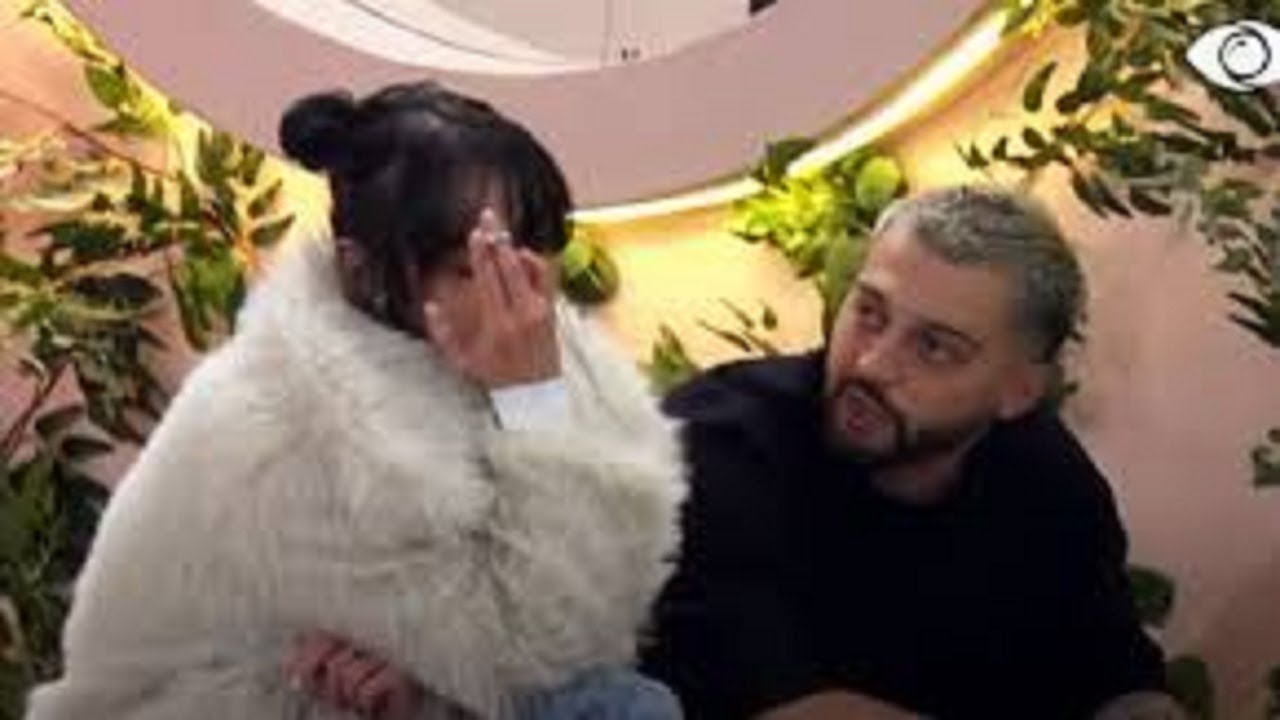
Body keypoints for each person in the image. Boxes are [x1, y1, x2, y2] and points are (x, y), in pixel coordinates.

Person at [26, 82, 686, 720]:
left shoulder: (523, 338)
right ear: (362, 270)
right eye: (475, 266)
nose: (524, 291)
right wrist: (534, 400)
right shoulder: (289, 429)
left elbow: (606, 597)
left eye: (535, 253)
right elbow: (541, 651)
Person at [639, 186, 1187, 719]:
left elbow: (1116, 674)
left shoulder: (1046, 476)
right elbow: (791, 705)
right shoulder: (721, 440)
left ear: (1019, 391)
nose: (872, 364)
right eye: (870, 313)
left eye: (935, 347)